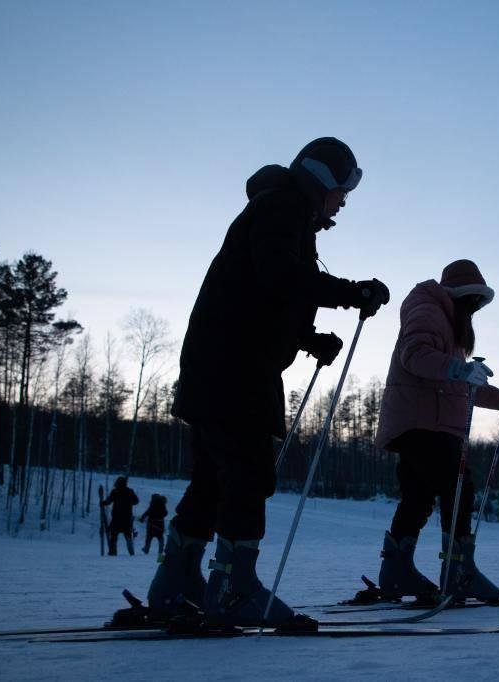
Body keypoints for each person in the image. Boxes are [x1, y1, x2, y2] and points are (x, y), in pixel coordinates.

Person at [146, 137, 390, 628]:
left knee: (215, 478)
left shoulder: (282, 215)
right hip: (235, 369)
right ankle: (235, 589)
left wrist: (308, 337)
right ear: (322, 180)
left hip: (218, 365)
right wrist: (350, 292)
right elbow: (280, 276)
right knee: (249, 474)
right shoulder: (283, 208)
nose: (343, 203)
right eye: (342, 190)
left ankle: (177, 582)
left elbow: (266, 293)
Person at [373, 259, 499, 603]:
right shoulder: (428, 310)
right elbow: (416, 356)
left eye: (477, 304)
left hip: (424, 422)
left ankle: (397, 572)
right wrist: (458, 369)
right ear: (455, 294)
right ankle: (458, 573)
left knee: (419, 495)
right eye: (470, 301)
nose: (473, 309)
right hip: (422, 421)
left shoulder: (449, 325)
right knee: (458, 488)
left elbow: (459, 384)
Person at [101, 476, 139, 556]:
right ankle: (131, 552)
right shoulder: (129, 491)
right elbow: (136, 501)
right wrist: (129, 503)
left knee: (114, 536)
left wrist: (103, 503)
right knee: (128, 536)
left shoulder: (115, 491)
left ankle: (113, 552)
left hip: (117, 517)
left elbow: (109, 501)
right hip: (127, 517)